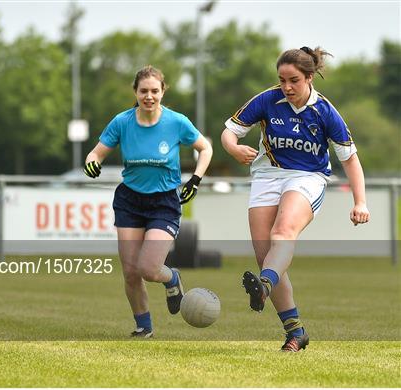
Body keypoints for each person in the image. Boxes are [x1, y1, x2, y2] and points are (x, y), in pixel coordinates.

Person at [221, 47, 370, 351]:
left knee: (282, 234)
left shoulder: (325, 111)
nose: (287, 87)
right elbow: (229, 132)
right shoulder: (267, 99)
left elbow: (350, 159)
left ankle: (263, 286)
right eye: (282, 80)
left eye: (294, 80)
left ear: (310, 78)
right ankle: (295, 331)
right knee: (267, 259)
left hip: (307, 179)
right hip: (266, 177)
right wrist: (234, 148)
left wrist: (360, 202)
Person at [84, 65, 213, 338]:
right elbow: (95, 153)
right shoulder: (122, 122)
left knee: (149, 269)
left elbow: (205, 148)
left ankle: (172, 278)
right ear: (135, 92)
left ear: (163, 91)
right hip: (129, 201)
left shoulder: (176, 122)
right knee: (131, 272)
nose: (149, 96)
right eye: (144, 91)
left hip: (164, 203)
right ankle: (144, 327)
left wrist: (196, 179)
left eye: (155, 91)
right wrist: (91, 164)